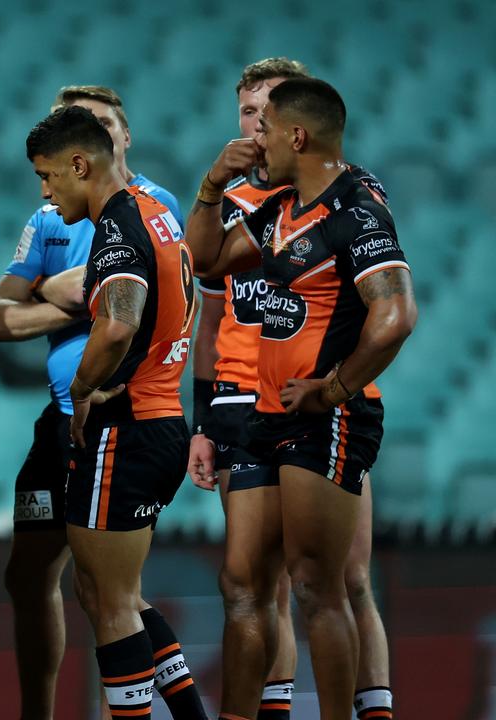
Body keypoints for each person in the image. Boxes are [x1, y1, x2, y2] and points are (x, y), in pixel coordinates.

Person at [185, 77, 415, 720]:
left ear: (297, 135)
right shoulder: (279, 209)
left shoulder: (358, 213)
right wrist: (209, 187)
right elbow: (205, 265)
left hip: (330, 417)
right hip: (263, 414)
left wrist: (333, 389)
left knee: (317, 588)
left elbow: (395, 316)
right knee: (241, 584)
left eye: (266, 126)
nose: (253, 137)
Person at [0, 86, 199, 720]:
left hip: (123, 425)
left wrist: (81, 392)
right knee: (118, 593)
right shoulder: (152, 214)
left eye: (49, 176)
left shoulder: (120, 224)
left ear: (82, 163)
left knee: (110, 604)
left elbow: (118, 322)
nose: (46, 192)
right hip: (157, 422)